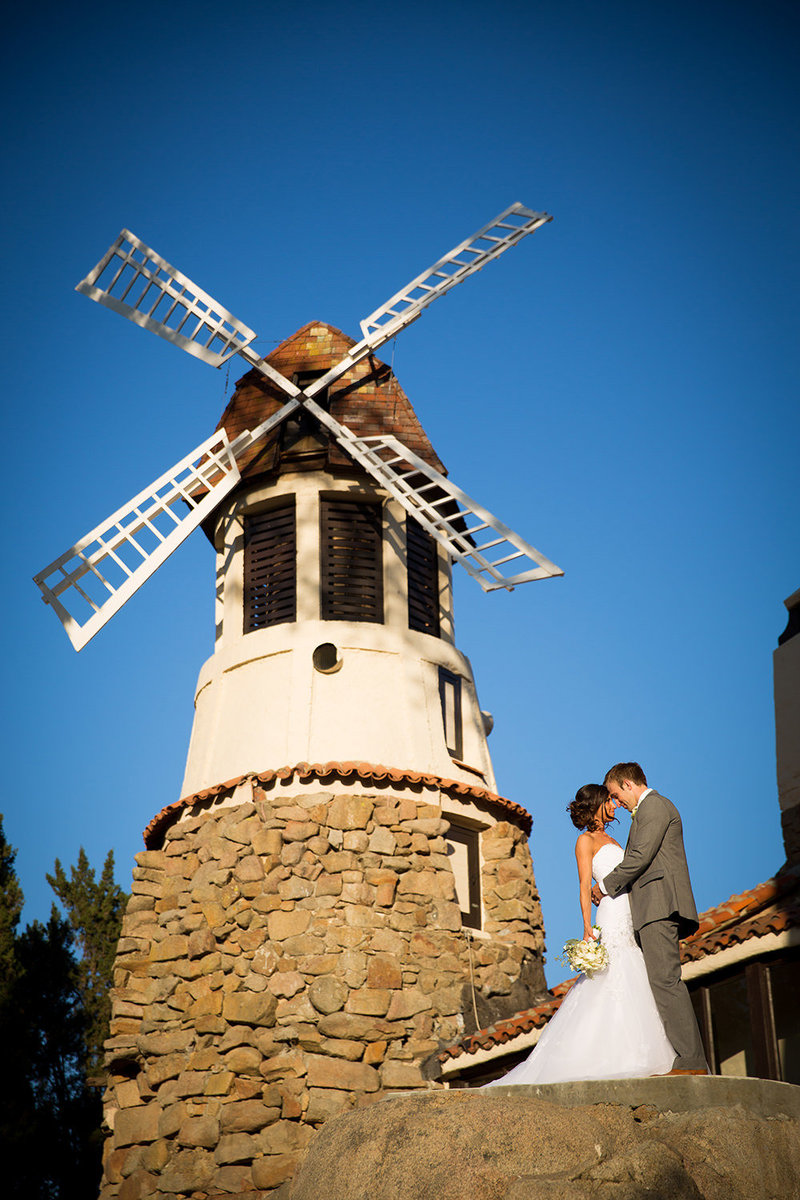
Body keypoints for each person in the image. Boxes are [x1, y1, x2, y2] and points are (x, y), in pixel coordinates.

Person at [485, 783, 675, 1086]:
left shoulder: (614, 839)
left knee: (634, 971)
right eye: (610, 800)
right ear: (598, 804)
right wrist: (587, 927)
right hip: (610, 914)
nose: (615, 805)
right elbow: (585, 886)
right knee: (612, 973)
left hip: (630, 913)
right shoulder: (585, 841)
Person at [593, 762, 707, 1075]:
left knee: (665, 981)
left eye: (617, 795)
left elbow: (640, 856)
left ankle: (692, 1060)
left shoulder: (654, 806)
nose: (617, 803)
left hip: (659, 907)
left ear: (628, 784)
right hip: (649, 910)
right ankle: (683, 1058)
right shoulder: (647, 810)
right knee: (658, 983)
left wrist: (604, 886)